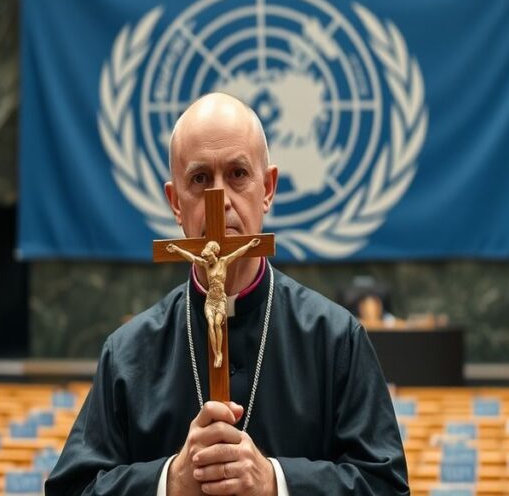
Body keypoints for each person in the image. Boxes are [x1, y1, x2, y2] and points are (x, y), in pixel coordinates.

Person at [45, 93, 408, 495]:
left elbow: (386, 486)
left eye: (237, 173)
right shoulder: (128, 353)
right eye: (200, 179)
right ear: (175, 203)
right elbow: (70, 489)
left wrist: (276, 482)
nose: (220, 200)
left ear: (267, 188)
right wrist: (169, 481)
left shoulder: (336, 338)